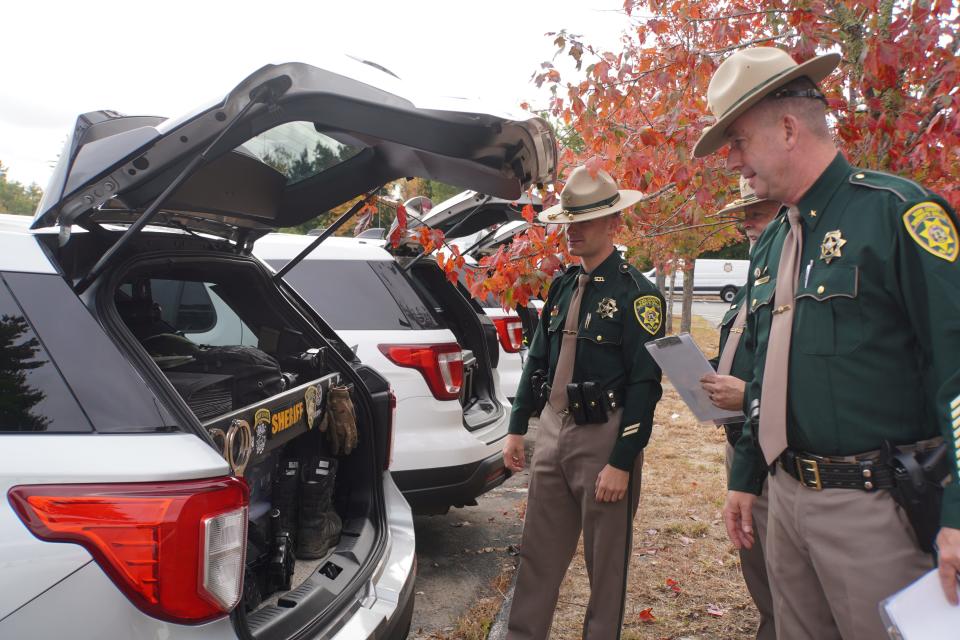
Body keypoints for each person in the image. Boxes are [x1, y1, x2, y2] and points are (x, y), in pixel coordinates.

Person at [694, 46, 960, 640]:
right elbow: (766, 373)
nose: (733, 162)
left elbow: (957, 371)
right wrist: (745, 477)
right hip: (786, 500)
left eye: (737, 141)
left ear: (787, 128)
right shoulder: (773, 242)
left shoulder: (896, 214)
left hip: (874, 512)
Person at [502, 165, 665, 639]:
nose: (573, 231)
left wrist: (622, 460)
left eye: (585, 221)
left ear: (614, 223)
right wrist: (517, 425)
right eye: (569, 221)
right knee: (537, 555)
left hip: (603, 437)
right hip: (553, 432)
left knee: (606, 567)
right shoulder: (562, 286)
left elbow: (645, 385)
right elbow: (538, 360)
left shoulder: (638, 295)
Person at [701, 177, 781, 640]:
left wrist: (746, 392)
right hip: (740, 440)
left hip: (773, 447)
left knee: (782, 571)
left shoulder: (786, 284)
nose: (747, 221)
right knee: (757, 567)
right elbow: (744, 351)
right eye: (744, 213)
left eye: (758, 210)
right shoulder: (754, 284)